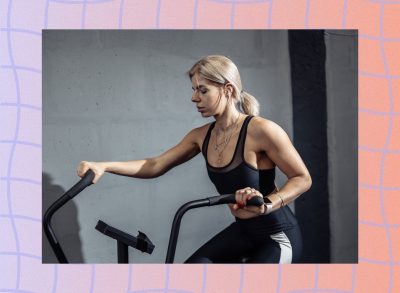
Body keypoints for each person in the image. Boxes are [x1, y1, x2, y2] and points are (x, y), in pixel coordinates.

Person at [77, 55, 312, 263]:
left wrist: (268, 204)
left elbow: (302, 178)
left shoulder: (262, 130)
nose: (193, 98)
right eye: (193, 89)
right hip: (243, 231)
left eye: (202, 90)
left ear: (227, 90)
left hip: (277, 235)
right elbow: (154, 165)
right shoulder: (201, 137)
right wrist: (104, 166)